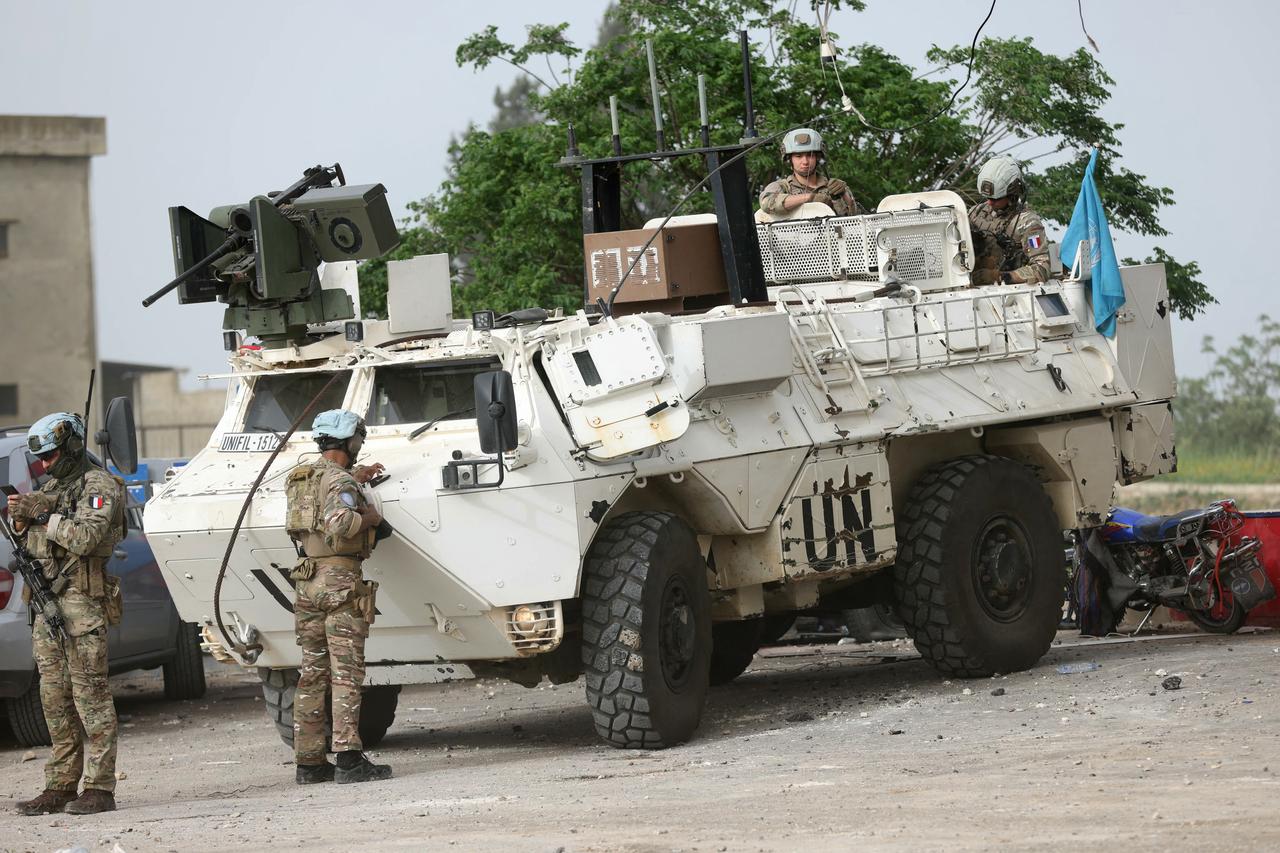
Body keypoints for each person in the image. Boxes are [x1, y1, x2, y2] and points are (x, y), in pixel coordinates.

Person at [10, 413, 125, 816]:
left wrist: (43, 516)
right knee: (54, 698)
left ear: (72, 447)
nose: (45, 465)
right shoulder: (52, 489)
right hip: (48, 606)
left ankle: (99, 787)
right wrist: (22, 519)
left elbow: (88, 537)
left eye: (51, 456)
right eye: (40, 459)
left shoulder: (99, 486)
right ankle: (60, 785)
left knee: (91, 696)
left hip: (83, 605)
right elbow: (33, 543)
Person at [285, 409, 392, 785]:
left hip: (307, 580)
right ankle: (348, 758)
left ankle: (309, 762)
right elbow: (340, 522)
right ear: (349, 440)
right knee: (346, 671)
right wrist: (370, 519)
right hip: (339, 580)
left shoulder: (302, 477)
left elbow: (320, 506)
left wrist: (354, 479)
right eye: (358, 438)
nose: (360, 444)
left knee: (312, 672)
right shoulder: (339, 481)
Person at [968, 155, 1051, 285]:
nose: (989, 203)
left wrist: (1001, 277)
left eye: (996, 199)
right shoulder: (976, 213)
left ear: (1012, 194)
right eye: (987, 198)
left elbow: (1041, 268)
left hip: (1010, 293)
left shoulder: (1027, 223)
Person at [759, 128, 862, 217]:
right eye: (798, 156)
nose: (805, 162)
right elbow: (766, 203)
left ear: (818, 158)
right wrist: (809, 197)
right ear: (789, 159)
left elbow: (855, 219)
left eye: (810, 155)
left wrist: (844, 195)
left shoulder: (834, 186)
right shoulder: (782, 187)